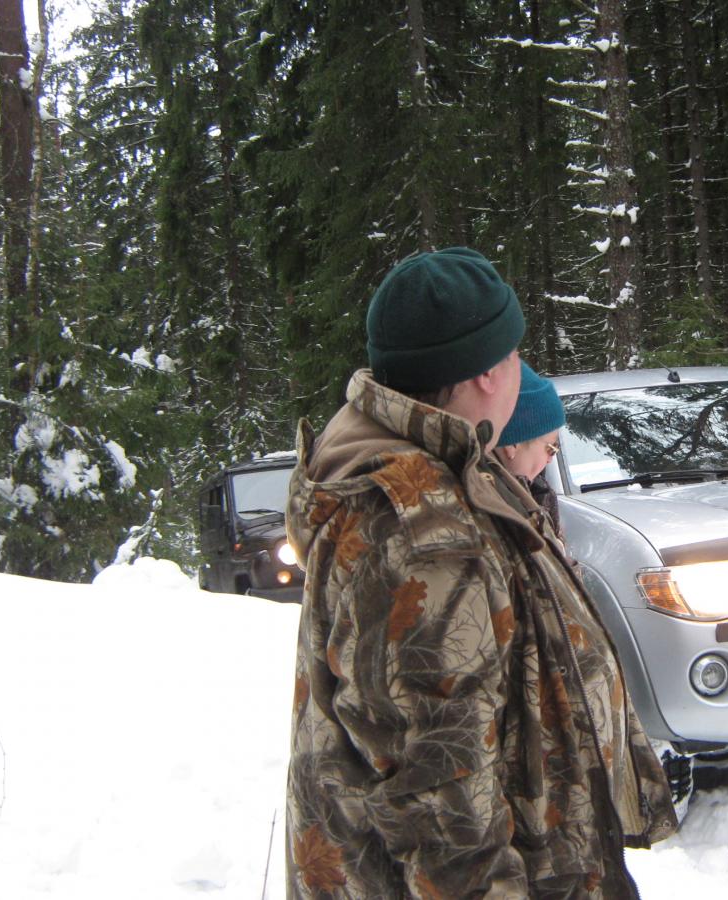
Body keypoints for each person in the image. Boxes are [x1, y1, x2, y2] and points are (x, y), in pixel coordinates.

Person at [284, 247, 677, 899]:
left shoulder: (446, 471)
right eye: (516, 353)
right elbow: (443, 806)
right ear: (490, 372)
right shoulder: (425, 536)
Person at [493, 362, 566, 536]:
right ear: (512, 445)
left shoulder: (539, 495)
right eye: (551, 449)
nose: (550, 459)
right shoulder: (491, 510)